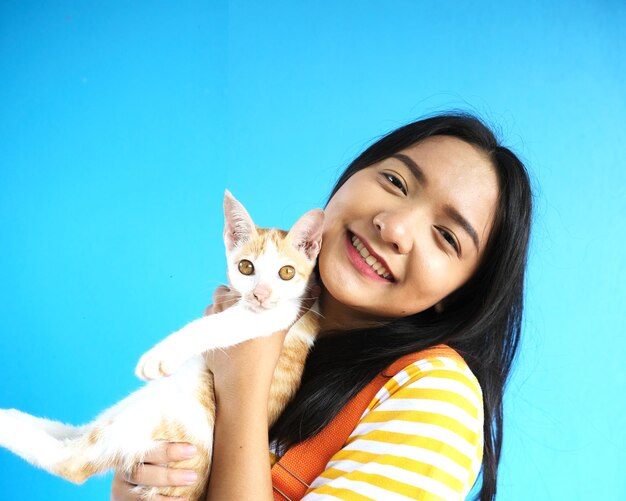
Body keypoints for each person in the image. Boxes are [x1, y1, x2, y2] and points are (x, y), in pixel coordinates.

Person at [111, 113, 532, 501]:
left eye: (446, 236)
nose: (395, 226)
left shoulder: (440, 399)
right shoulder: (277, 320)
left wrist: (242, 391)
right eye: (396, 181)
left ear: (458, 296)